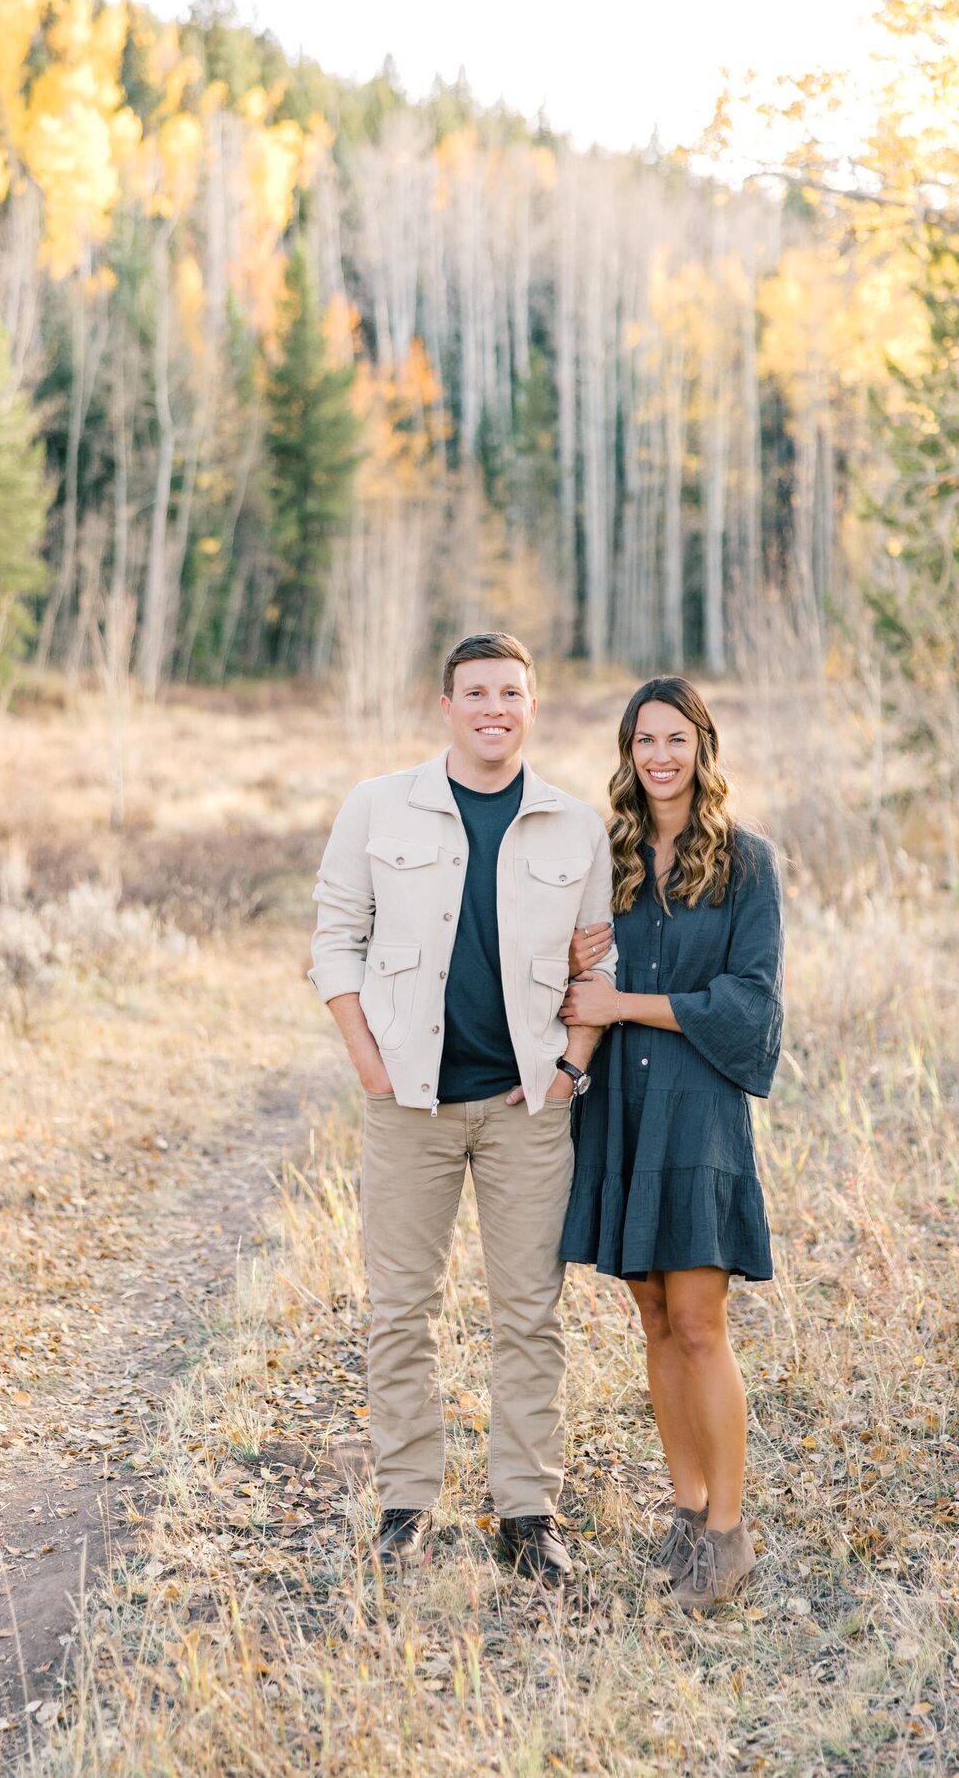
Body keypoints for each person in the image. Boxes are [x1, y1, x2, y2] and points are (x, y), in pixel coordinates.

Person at [309, 633, 616, 1586]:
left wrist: (571, 1067)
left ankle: (528, 1510)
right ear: (445, 704)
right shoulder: (377, 805)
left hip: (529, 1109)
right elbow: (334, 936)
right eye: (476, 691)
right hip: (409, 1106)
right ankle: (406, 1501)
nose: (494, 706)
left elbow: (598, 962)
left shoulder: (574, 825)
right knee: (401, 1308)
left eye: (512, 692)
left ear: (533, 704)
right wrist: (368, 1060)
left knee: (529, 1314)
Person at [558, 676, 783, 1611]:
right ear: (627, 749)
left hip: (697, 1114)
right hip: (618, 1109)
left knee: (699, 1321)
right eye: (645, 740)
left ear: (703, 746)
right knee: (651, 1319)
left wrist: (624, 1005)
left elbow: (752, 1004)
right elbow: (568, 963)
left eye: (676, 739)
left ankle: (729, 1534)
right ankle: (688, 1513)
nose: (660, 756)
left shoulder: (745, 863)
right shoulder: (600, 856)